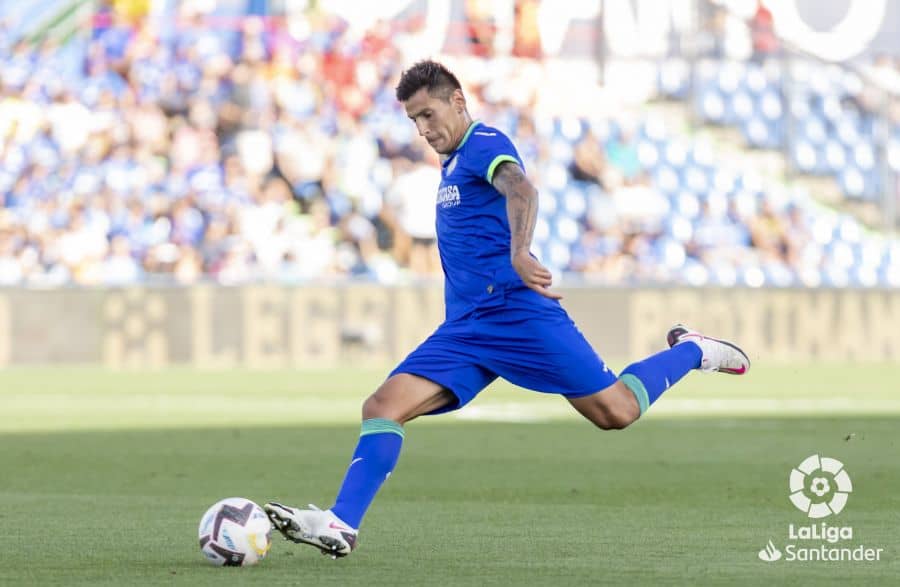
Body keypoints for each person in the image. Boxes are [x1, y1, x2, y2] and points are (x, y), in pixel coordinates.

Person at [264, 60, 750, 558]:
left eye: (429, 114)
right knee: (382, 407)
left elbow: (521, 188)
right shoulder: (450, 160)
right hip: (467, 327)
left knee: (616, 412)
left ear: (458, 102)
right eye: (415, 120)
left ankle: (693, 351)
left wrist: (520, 250)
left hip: (517, 315)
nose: (424, 129)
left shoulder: (483, 142)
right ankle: (341, 524)